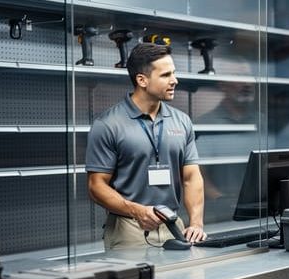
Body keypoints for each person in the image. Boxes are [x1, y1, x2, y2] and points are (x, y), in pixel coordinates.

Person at [86, 43, 207, 249]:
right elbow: (96, 186)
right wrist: (137, 211)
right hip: (129, 228)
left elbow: (191, 177)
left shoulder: (182, 121)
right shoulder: (107, 124)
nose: (174, 81)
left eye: (174, 73)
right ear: (142, 80)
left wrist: (196, 223)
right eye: (165, 75)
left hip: (173, 226)